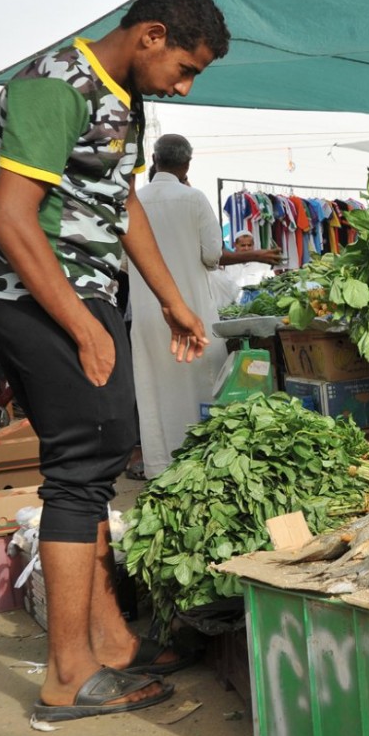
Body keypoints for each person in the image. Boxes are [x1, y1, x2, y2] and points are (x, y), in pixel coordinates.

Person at [0, 0, 229, 721]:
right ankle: (68, 676)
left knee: (101, 451)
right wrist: (83, 328)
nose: (182, 86)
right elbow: (10, 220)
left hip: (88, 293)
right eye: (185, 68)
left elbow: (120, 208)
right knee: (84, 463)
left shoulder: (124, 95)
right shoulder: (55, 87)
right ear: (151, 35)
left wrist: (175, 301)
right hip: (40, 296)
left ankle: (109, 640)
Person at [129, 134, 229, 480]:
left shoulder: (134, 201)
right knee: (200, 385)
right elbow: (212, 255)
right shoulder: (194, 199)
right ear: (187, 164)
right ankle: (202, 465)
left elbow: (125, 264)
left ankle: (160, 468)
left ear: (154, 159)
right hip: (193, 311)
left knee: (154, 388)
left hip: (147, 311)